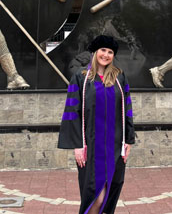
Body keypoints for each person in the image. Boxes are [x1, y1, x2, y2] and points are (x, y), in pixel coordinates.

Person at [58, 35, 135, 214]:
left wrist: (128, 141)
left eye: (110, 52)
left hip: (114, 146)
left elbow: (127, 110)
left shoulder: (119, 77)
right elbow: (72, 113)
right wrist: (77, 145)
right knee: (95, 195)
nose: (106, 55)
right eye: (103, 50)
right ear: (95, 52)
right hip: (91, 147)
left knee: (110, 191)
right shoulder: (81, 77)